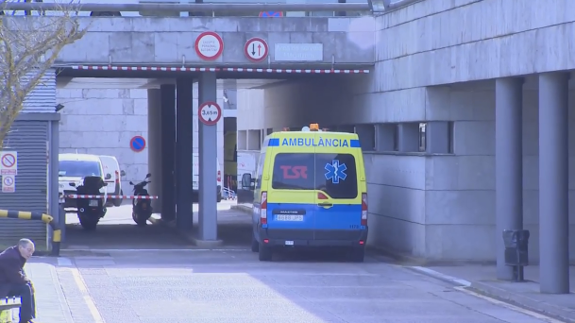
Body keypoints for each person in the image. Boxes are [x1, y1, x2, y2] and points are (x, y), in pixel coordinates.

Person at [0, 239, 37, 323]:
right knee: (26, 288)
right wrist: (27, 281)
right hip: (2, 286)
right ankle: (25, 319)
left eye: (32, 252)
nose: (30, 254)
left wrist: (27, 281)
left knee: (27, 286)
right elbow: (16, 278)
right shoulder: (11, 257)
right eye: (29, 250)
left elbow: (19, 274)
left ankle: (27, 317)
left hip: (5, 283)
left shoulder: (15, 253)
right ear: (21, 247)